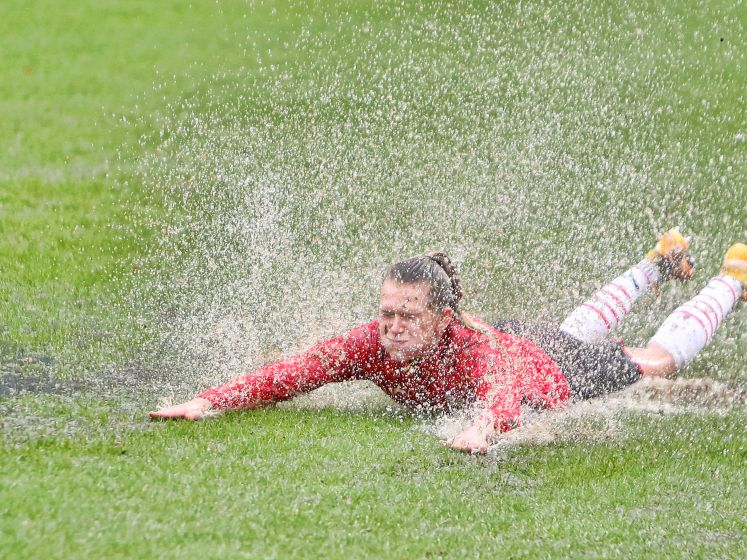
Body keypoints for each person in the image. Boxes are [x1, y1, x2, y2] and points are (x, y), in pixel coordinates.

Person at [150, 230, 747, 453]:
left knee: (654, 362)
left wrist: (483, 428)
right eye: (386, 313)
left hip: (546, 372)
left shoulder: (476, 350)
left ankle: (730, 279)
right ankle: (655, 264)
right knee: (572, 328)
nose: (393, 326)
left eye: (409, 315)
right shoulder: (371, 345)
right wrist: (209, 401)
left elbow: (506, 387)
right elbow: (296, 371)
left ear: (443, 318)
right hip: (524, 342)